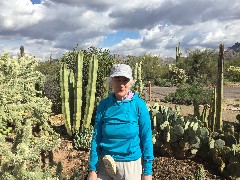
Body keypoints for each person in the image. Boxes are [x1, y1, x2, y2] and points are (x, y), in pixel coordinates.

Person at [87, 64, 154, 180]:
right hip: (105, 163)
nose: (121, 84)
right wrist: (92, 169)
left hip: (130, 165)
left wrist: (147, 171)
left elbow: (146, 137)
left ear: (130, 82)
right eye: (118, 80)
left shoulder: (138, 105)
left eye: (125, 80)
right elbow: (96, 137)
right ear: (112, 81)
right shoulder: (104, 105)